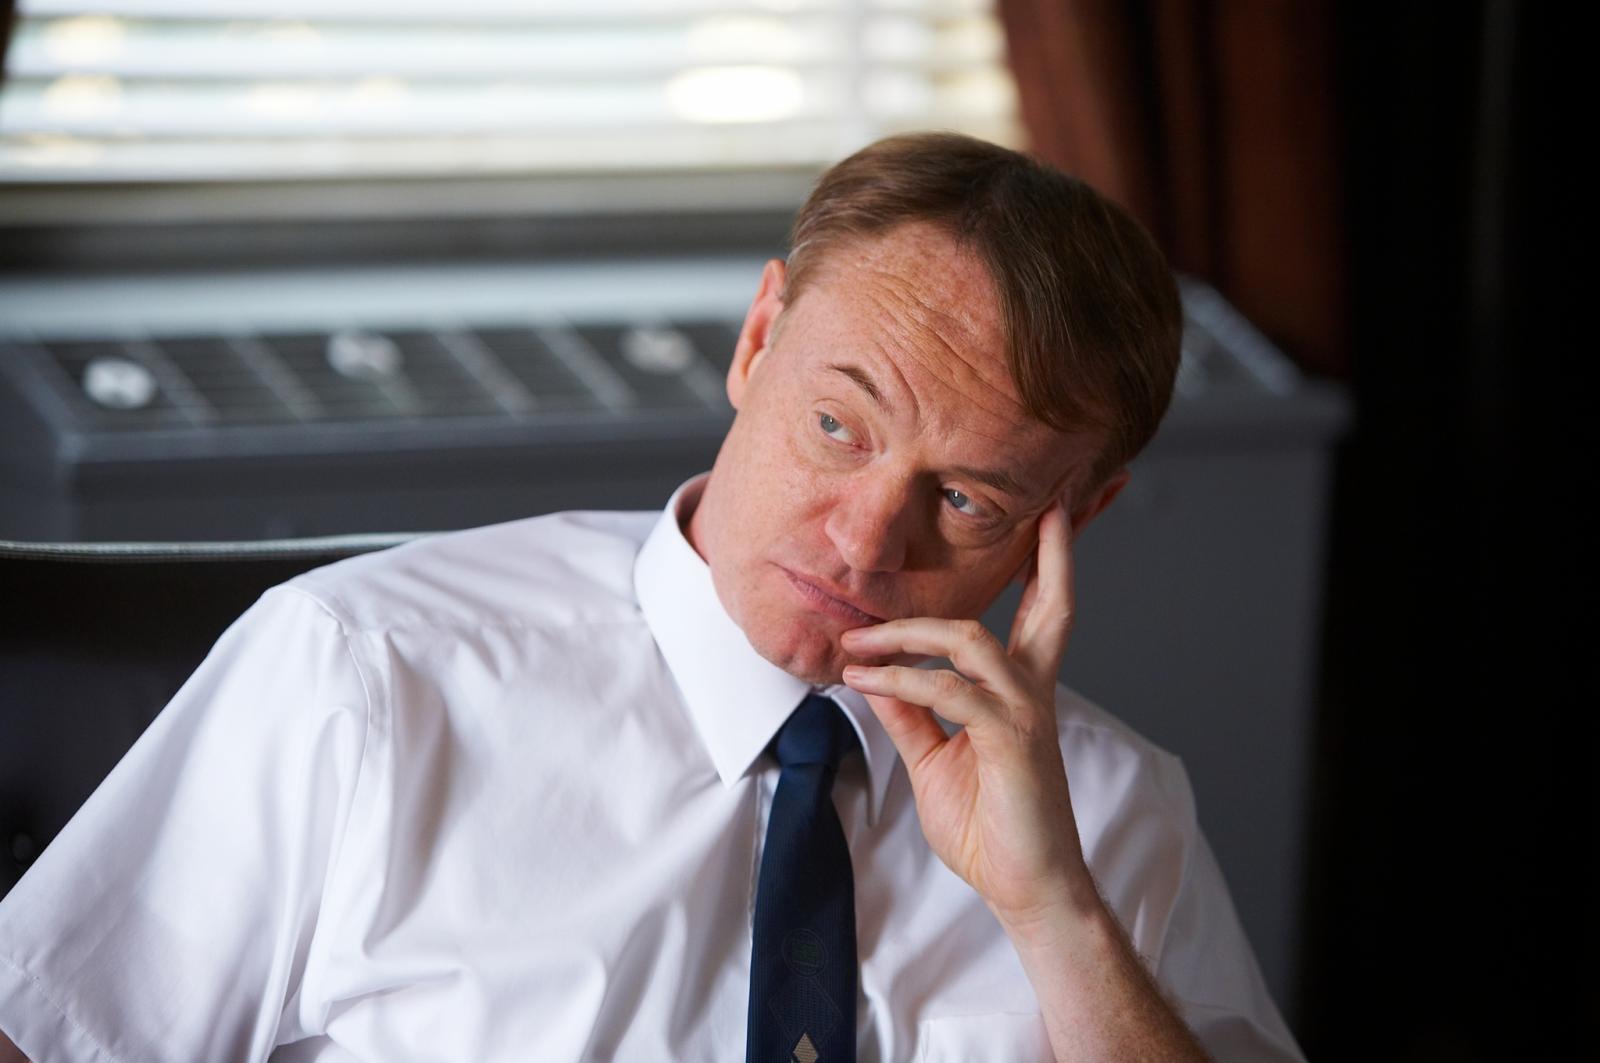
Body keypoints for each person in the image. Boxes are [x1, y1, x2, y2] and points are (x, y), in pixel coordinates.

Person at [0, 132, 1305, 1062]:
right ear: (758, 342)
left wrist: (1052, 914)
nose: (863, 543)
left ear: (1076, 519)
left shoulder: (1110, 811)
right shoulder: (367, 670)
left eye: (965, 501)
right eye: (838, 427)